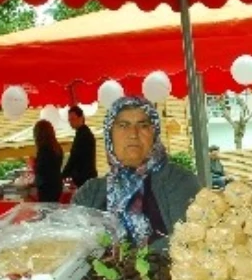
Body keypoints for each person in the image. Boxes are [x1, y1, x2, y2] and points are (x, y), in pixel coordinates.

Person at [72, 96, 200, 251]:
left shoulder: (179, 181)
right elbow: (76, 251)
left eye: (143, 125)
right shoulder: (90, 193)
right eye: (123, 125)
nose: (133, 134)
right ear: (109, 136)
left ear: (154, 134)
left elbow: (187, 243)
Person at [61, 105, 97, 188]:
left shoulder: (84, 135)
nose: (71, 122)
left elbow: (74, 157)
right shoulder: (82, 133)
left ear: (81, 118)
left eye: (73, 119)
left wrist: (64, 174)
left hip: (84, 178)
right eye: (69, 120)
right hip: (85, 177)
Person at [31, 119, 64, 202]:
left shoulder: (44, 149)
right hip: (56, 184)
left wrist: (33, 163)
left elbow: (41, 170)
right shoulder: (57, 147)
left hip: (47, 188)